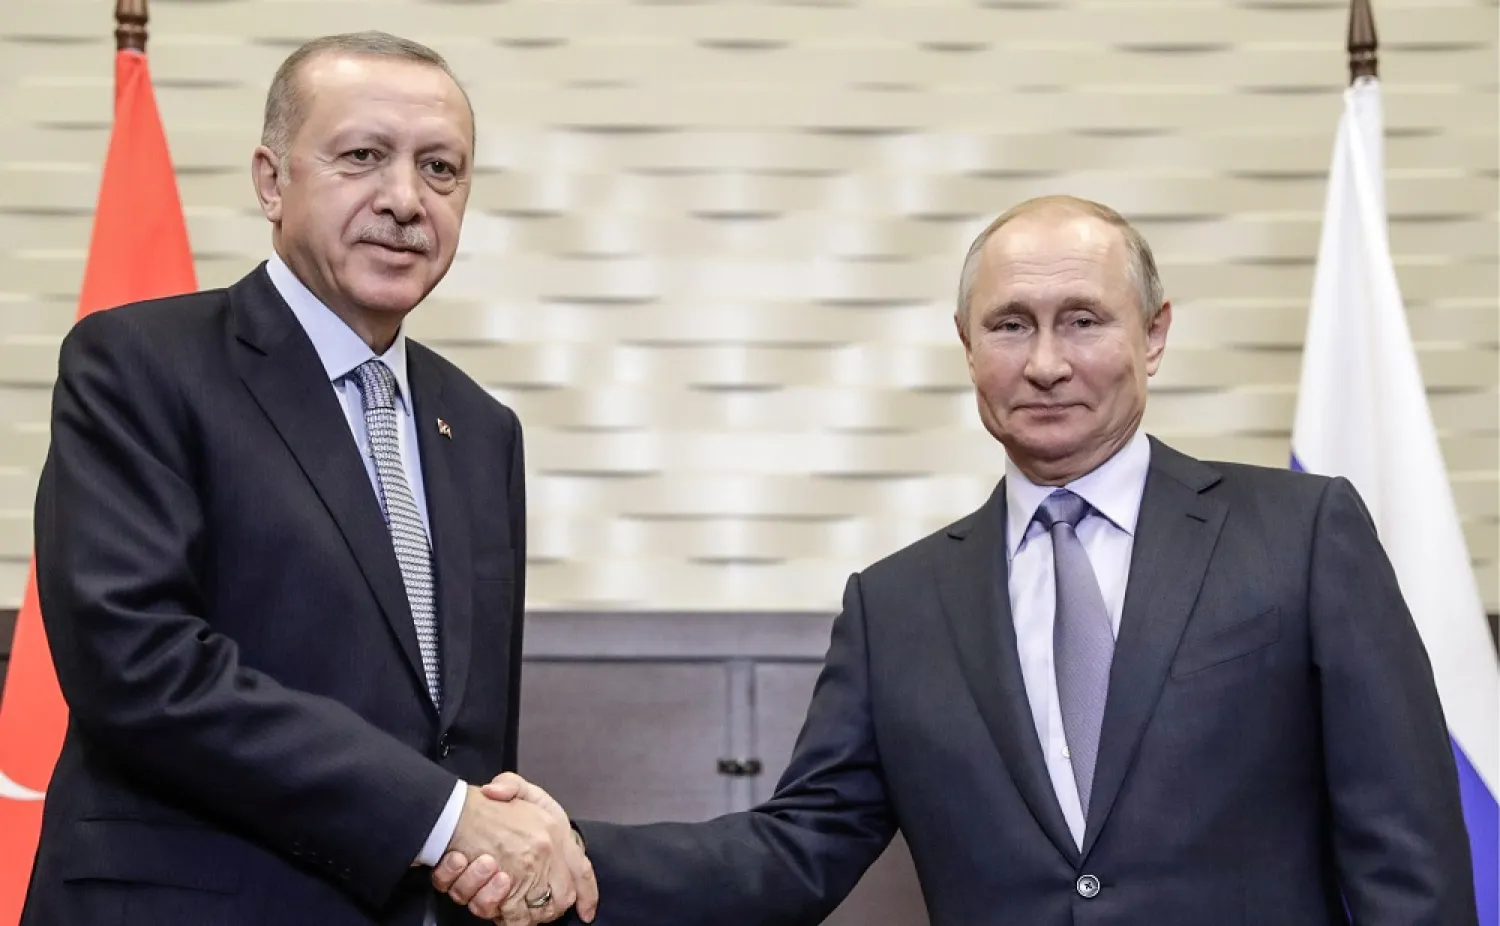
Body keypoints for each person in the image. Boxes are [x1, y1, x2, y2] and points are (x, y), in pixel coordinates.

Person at [440, 195, 1477, 925]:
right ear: (966, 346)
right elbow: (793, 853)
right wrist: (571, 845)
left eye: (1084, 320)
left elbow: (1409, 854)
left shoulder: (1300, 534)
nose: (1046, 362)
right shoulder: (898, 606)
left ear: (1155, 335)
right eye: (1010, 324)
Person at [22, 31, 595, 926]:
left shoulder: (482, 429)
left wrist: (499, 837)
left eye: (440, 169)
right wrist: (445, 820)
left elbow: (465, 742)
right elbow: (137, 663)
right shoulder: (138, 363)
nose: (405, 200)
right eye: (363, 156)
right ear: (270, 180)